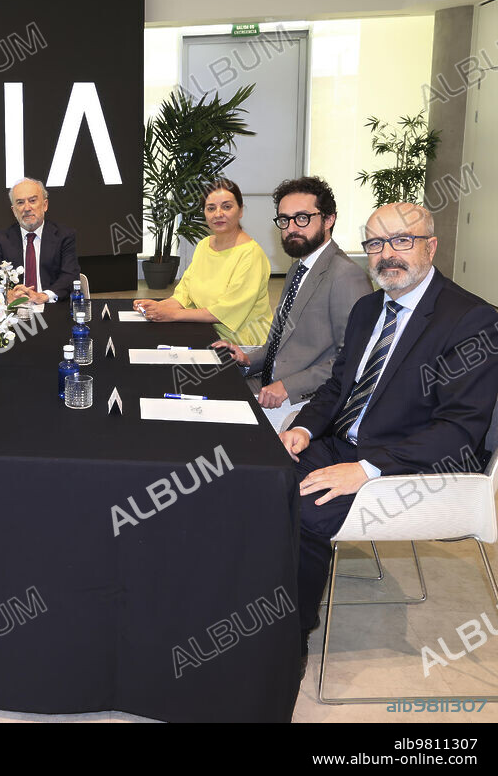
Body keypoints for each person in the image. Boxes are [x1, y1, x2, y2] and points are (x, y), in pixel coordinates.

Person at [277, 202, 498, 676]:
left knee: (305, 511)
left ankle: (287, 641)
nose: (386, 254)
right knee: (260, 478)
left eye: (402, 240)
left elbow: (460, 430)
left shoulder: (471, 320)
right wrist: (301, 428)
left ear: (431, 246)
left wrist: (365, 470)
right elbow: (339, 388)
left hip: (413, 464)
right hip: (344, 440)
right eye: (375, 243)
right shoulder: (367, 309)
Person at [212, 177, 372, 431]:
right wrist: (246, 358)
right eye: (284, 220)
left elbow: (353, 360)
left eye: (302, 218)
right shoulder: (298, 268)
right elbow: (279, 344)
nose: (291, 228)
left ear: (329, 219)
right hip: (264, 382)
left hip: (301, 399)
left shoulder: (345, 275)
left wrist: (288, 387)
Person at [134, 178, 273, 346]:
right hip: (205, 329)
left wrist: (171, 315)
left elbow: (224, 312)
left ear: (241, 210)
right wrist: (157, 307)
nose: (218, 214)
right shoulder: (204, 245)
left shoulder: (251, 255)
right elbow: (184, 294)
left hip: (242, 344)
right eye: (211, 208)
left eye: (227, 207)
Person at [0, 177, 81, 303]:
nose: (27, 208)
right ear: (14, 211)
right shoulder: (1, 239)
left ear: (45, 205)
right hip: (16, 308)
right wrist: (9, 294)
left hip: (51, 305)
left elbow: (70, 277)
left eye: (32, 200)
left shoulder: (64, 236)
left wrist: (44, 296)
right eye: (20, 202)